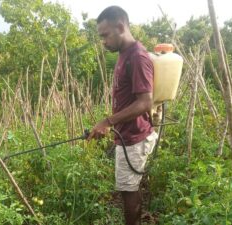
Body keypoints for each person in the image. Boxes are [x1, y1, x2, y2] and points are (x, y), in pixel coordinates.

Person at [87, 6, 158, 225]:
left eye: (105, 35)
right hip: (127, 135)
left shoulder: (137, 56)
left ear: (120, 27)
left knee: (129, 191)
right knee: (128, 188)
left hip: (135, 137)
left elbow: (145, 101)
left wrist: (108, 121)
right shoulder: (123, 53)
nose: (104, 41)